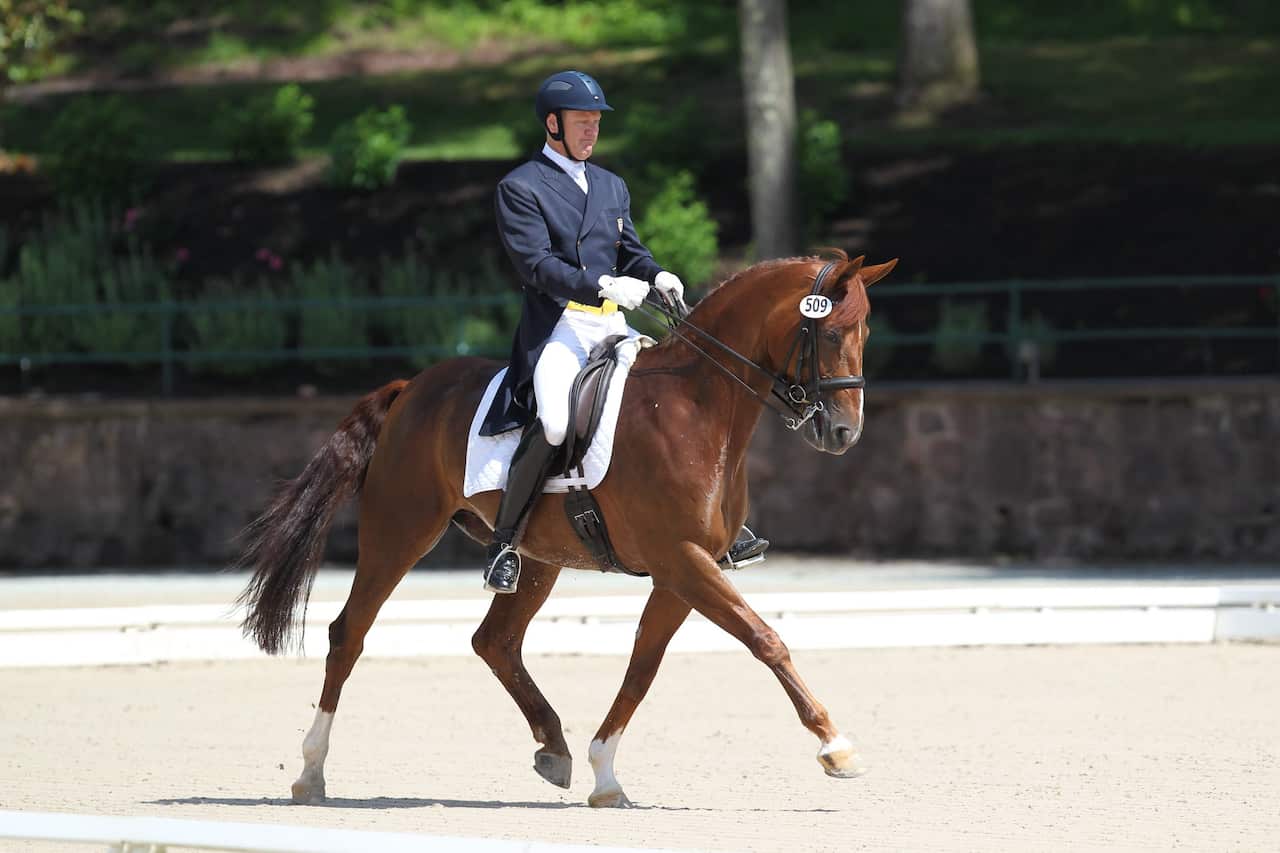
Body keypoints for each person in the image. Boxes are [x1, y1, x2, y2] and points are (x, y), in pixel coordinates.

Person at [479, 70, 767, 594]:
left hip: (612, 323)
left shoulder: (611, 186)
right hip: (560, 326)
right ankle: (505, 541)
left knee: (675, 401)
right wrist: (604, 283)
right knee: (555, 422)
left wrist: (654, 272)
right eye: (581, 122)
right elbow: (536, 266)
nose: (591, 131)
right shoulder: (520, 188)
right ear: (552, 123)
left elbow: (630, 249)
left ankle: (719, 524)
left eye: (595, 122)